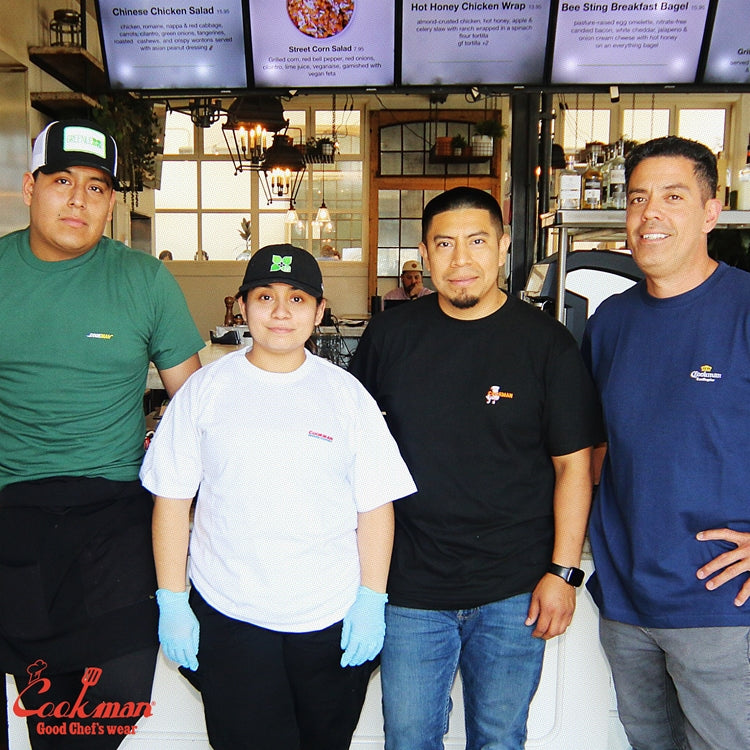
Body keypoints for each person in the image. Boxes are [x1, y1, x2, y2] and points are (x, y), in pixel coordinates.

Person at [349, 187, 600, 750]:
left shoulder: (546, 344)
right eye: (444, 244)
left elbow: (573, 468)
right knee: (408, 739)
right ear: (423, 253)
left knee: (499, 739)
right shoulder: (390, 336)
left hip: (514, 589)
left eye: (477, 242)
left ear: (504, 246)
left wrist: (563, 574)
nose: (460, 260)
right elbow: (351, 454)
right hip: (409, 587)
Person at [139, 244, 416, 750]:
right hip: (230, 615)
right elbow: (172, 501)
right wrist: (172, 600)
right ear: (242, 306)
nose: (281, 312)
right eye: (265, 296)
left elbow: (376, 505)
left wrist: (371, 599)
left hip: (330, 617)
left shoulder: (346, 395)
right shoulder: (205, 390)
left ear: (320, 310)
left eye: (298, 298)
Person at [0, 119, 203, 747]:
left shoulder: (144, 279)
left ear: (111, 202)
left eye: (96, 187)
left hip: (116, 516)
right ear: (30, 188)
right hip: (16, 515)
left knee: (109, 709)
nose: (78, 200)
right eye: (62, 181)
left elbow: (195, 408)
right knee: (48, 719)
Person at [582, 136, 750, 750]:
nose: (650, 213)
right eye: (637, 198)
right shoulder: (610, 322)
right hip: (626, 601)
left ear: (711, 212)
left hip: (722, 605)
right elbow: (596, 449)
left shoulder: (744, 307)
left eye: (673, 197)